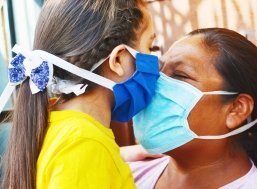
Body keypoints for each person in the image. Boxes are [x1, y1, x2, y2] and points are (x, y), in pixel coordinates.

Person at [0, 0, 159, 188]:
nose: (157, 62)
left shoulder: (55, 124)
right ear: (118, 59)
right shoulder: (83, 144)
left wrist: (113, 156)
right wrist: (96, 153)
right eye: (149, 47)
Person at [127, 28, 257, 189]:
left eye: (180, 75)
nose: (154, 85)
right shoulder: (127, 174)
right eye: (159, 70)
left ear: (236, 109)